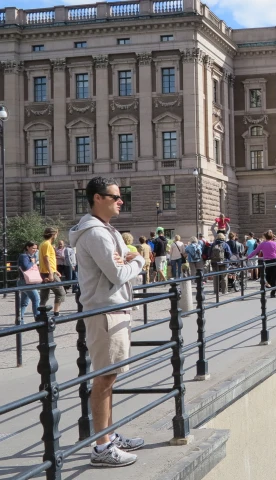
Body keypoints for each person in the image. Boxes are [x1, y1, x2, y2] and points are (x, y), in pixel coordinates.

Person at [69, 177, 146, 467]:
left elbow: (117, 268)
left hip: (111, 311)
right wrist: (138, 260)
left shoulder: (104, 231)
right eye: (115, 196)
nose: (120, 200)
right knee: (104, 378)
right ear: (97, 198)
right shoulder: (97, 235)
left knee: (109, 377)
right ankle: (102, 447)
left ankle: (109, 436)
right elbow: (118, 274)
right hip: (105, 312)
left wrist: (126, 261)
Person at [246, 231, 276, 297]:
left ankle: (273, 290)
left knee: (268, 277)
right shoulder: (275, 243)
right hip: (275, 260)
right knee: (274, 276)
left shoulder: (263, 244)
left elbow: (255, 251)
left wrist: (248, 257)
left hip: (267, 262)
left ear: (265, 237)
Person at [39, 227, 65, 316]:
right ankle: (56, 313)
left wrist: (55, 270)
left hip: (46, 272)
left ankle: (41, 314)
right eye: (56, 234)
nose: (57, 236)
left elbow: (49, 259)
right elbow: (46, 259)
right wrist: (51, 272)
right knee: (61, 293)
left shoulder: (43, 243)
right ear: (53, 234)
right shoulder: (47, 244)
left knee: (44, 294)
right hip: (48, 272)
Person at [17, 242, 40, 322]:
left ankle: (19, 320)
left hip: (25, 281)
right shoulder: (24, 256)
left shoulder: (30, 256)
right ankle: (38, 319)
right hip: (25, 282)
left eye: (36, 248)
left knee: (24, 302)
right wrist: (33, 262)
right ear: (27, 247)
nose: (35, 250)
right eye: (33, 248)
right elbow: (25, 267)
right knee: (36, 299)